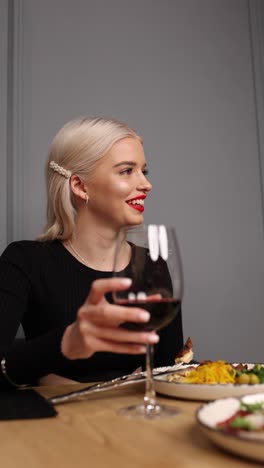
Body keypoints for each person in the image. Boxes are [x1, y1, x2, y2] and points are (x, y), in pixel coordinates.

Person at [0, 116, 184, 389]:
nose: (146, 184)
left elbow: (170, 369)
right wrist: (66, 341)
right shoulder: (24, 260)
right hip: (55, 425)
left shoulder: (152, 263)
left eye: (144, 171)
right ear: (80, 186)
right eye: (126, 171)